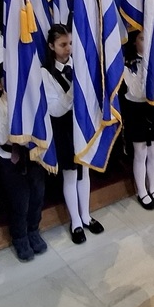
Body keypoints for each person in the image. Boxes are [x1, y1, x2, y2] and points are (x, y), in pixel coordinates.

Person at [42, 24, 103, 243]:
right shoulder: (45, 73)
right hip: (64, 127)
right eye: (62, 45)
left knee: (84, 171)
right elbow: (55, 108)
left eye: (70, 43)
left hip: (82, 125)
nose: (68, 49)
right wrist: (74, 90)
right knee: (69, 174)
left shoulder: (80, 64)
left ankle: (86, 215)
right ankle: (75, 221)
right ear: (52, 46)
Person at [0, 64, 50, 263]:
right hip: (10, 159)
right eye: (7, 78)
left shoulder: (29, 100)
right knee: (19, 201)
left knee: (37, 195)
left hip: (32, 155)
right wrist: (15, 113)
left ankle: (33, 230)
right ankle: (20, 237)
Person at [122, 29, 154, 210]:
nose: (145, 41)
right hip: (136, 110)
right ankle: (142, 191)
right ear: (134, 41)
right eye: (141, 38)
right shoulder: (128, 64)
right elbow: (134, 91)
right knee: (140, 153)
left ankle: (153, 187)